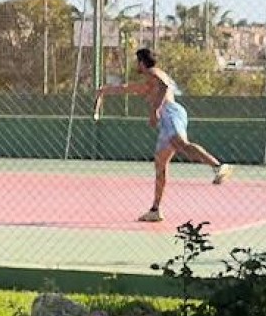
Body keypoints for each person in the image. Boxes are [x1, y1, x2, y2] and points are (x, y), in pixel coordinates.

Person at [97, 47, 231, 223]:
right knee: (160, 163)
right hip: (167, 119)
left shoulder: (153, 73)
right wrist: (105, 90)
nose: (136, 65)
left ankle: (218, 166)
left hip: (170, 113)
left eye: (137, 62)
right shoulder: (149, 81)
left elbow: (164, 85)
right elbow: (129, 88)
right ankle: (155, 209)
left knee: (182, 143)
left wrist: (155, 110)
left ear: (142, 63)